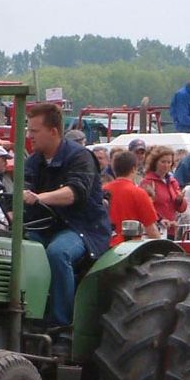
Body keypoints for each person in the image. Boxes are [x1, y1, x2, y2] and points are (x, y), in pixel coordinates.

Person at [23, 103, 111, 332]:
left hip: (82, 228)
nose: (29, 136)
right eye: (29, 130)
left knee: (58, 252)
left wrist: (39, 198)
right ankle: (24, 313)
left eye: (34, 131)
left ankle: (61, 324)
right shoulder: (33, 162)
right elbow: (24, 192)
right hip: (46, 227)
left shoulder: (80, 157)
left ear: (53, 131)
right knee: (15, 247)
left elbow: (74, 193)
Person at [103, 151, 160, 245]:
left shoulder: (103, 191)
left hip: (105, 245)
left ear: (114, 168)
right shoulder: (139, 193)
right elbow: (151, 229)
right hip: (130, 247)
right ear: (133, 169)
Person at [139, 145, 187, 238]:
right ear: (155, 162)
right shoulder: (148, 182)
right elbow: (145, 207)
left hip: (171, 229)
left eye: (169, 162)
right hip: (155, 229)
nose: (166, 165)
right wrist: (159, 219)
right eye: (163, 162)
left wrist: (180, 200)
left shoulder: (173, 182)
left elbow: (181, 209)